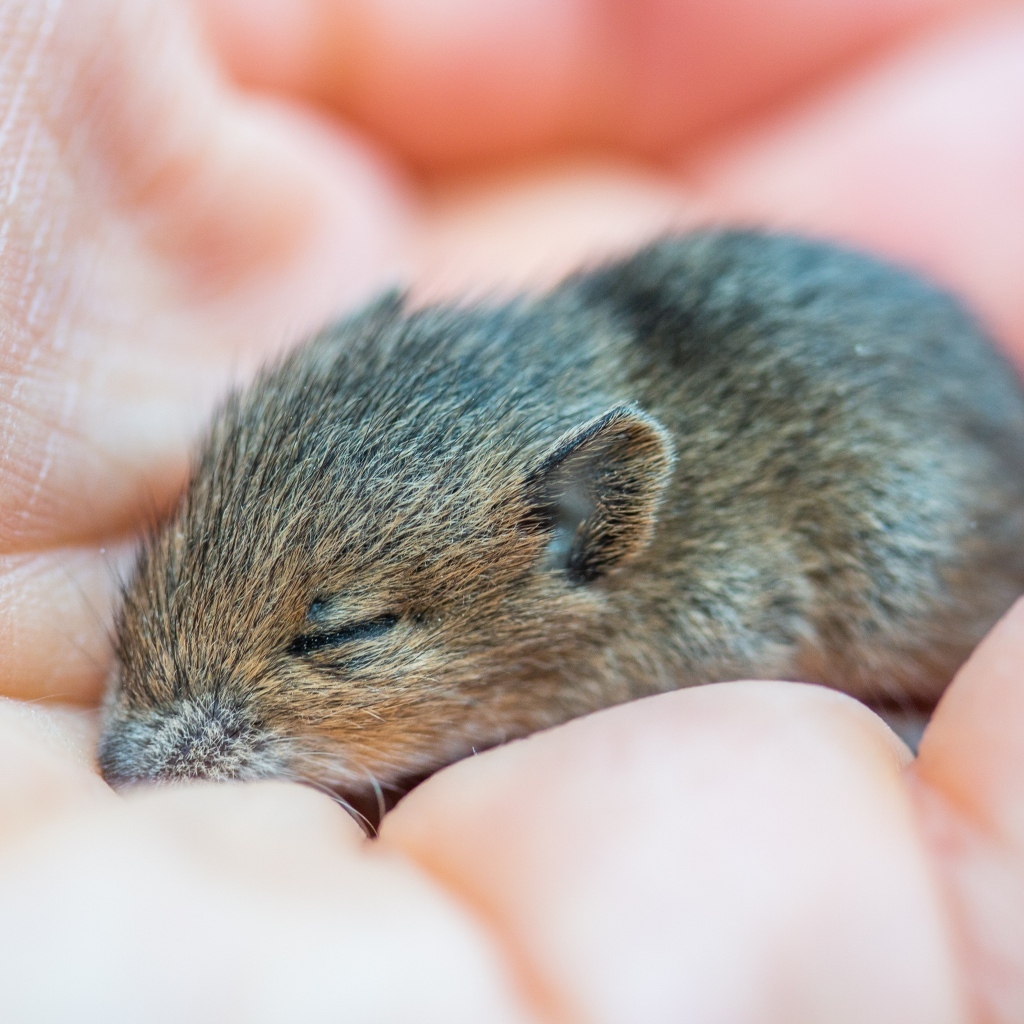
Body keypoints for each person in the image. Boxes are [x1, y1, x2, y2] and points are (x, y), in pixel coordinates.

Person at [0, 0, 1021, 1018]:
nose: (139, 747)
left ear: (584, 528)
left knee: (899, 548)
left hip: (900, 432)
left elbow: (754, 611)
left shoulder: (633, 564)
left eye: (338, 634)